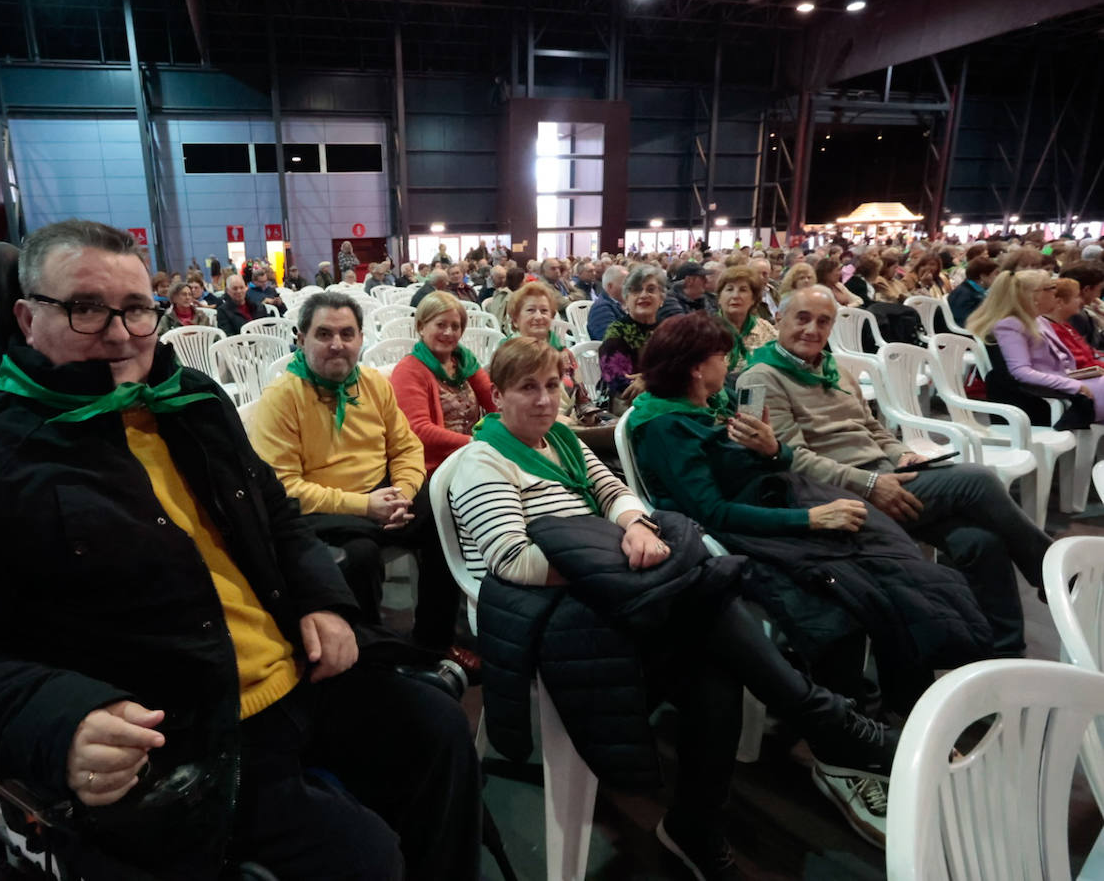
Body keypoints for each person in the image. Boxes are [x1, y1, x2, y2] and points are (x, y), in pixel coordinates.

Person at [0, 219, 482, 881]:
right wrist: (57, 720)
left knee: (439, 732)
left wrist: (322, 599)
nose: (119, 330)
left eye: (136, 309)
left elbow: (275, 513)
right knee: (359, 858)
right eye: (84, 308)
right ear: (25, 317)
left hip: (294, 674)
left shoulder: (191, 400)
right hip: (177, 726)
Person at [451, 336, 903, 866]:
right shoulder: (483, 461)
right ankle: (827, 724)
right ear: (498, 396)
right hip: (551, 607)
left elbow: (616, 493)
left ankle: (699, 819)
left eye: (552, 385)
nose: (545, 399)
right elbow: (513, 562)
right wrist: (613, 571)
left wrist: (634, 529)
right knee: (706, 603)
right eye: (528, 388)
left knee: (713, 657)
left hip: (608, 580)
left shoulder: (563, 442)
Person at [630, 312, 992, 716]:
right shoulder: (666, 427)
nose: (730, 365)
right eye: (723, 356)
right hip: (748, 531)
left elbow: (773, 464)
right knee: (867, 589)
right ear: (698, 368)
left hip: (779, 504)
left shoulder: (713, 403)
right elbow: (713, 514)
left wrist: (771, 448)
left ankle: (912, 706)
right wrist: (813, 519)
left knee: (900, 566)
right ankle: (873, 718)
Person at [738, 286, 1053, 659]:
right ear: (779, 319)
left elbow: (872, 428)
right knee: (979, 480)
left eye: (823, 322)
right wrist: (871, 484)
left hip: (887, 475)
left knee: (979, 542)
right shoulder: (760, 378)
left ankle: (1002, 653)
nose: (812, 330)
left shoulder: (833, 368)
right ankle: (1048, 569)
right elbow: (792, 460)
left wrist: (903, 453)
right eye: (802, 318)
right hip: (839, 494)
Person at [250, 292, 469, 662]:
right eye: (324, 334)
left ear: (360, 339)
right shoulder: (281, 399)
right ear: (301, 339)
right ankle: (370, 658)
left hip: (383, 494)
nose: (337, 344)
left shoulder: (371, 384)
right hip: (323, 510)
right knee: (359, 556)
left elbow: (406, 447)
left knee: (447, 508)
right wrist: (365, 506)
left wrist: (403, 491)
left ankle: (432, 641)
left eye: (347, 334)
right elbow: (284, 488)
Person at [966, 269, 1104, 425]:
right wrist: (1073, 385)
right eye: (1050, 288)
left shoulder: (1038, 320)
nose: (1055, 292)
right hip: (1050, 392)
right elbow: (1020, 371)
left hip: (1065, 382)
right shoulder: (1011, 325)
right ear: (1034, 296)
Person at [390, 292, 497, 475]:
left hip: (475, 458)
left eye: (455, 326)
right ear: (421, 327)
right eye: (441, 325)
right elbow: (419, 430)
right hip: (436, 468)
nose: (448, 332)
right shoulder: (409, 370)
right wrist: (477, 443)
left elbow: (495, 403)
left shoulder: (465, 362)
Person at [507, 281, 599, 425]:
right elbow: (507, 407)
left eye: (544, 311)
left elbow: (583, 400)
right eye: (531, 310)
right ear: (515, 319)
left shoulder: (564, 354)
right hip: (527, 428)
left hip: (570, 424)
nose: (538, 317)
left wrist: (590, 419)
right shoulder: (508, 355)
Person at [599, 266, 666, 411]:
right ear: (626, 299)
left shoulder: (669, 330)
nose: (643, 295)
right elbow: (620, 383)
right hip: (632, 409)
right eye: (636, 290)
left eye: (651, 289)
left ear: (661, 298)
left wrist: (649, 379)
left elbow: (686, 370)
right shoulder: (617, 332)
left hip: (669, 401)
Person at [716, 264, 777, 378]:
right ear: (719, 297)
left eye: (743, 290)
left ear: (754, 299)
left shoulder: (765, 329)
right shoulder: (705, 331)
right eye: (729, 289)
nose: (735, 295)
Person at [1043, 278, 1104, 371]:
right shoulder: (1055, 330)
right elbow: (1081, 363)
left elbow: (1090, 354)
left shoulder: (1064, 325)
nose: (1081, 301)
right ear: (1060, 302)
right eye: (1076, 297)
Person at [946, 255, 999, 326]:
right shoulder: (965, 294)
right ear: (983, 276)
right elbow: (963, 322)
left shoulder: (973, 290)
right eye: (995, 274)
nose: (997, 278)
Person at [1062, 262, 1104, 348]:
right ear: (1086, 290)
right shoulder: (1076, 316)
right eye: (1100, 290)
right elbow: (1088, 351)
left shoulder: (1081, 312)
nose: (1099, 295)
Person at [586, 264, 629, 340]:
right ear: (610, 286)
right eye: (625, 284)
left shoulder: (622, 304)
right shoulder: (601, 308)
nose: (629, 287)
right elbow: (610, 339)